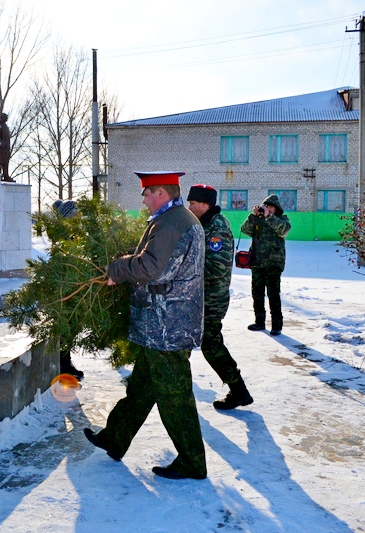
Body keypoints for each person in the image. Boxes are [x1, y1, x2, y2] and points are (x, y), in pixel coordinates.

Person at [84, 171, 208, 480]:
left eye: (147, 193)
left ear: (162, 194)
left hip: (168, 327)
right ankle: (116, 437)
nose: (143, 199)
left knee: (175, 399)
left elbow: (153, 269)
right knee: (141, 389)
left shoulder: (172, 223)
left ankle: (193, 461)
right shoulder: (177, 218)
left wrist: (118, 268)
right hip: (163, 325)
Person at [186, 184, 253, 410]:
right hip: (201, 297)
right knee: (201, 342)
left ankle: (239, 390)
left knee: (210, 344)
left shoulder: (217, 228)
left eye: (193, 203)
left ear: (205, 204)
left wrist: (185, 272)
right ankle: (239, 391)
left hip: (211, 299)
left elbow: (217, 267)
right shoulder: (204, 224)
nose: (189, 207)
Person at [240, 194, 291, 336]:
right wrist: (253, 216)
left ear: (276, 209)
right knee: (257, 293)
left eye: (271, 207)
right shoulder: (258, 220)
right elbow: (245, 230)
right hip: (257, 262)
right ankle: (259, 322)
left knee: (273, 294)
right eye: (266, 206)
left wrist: (269, 216)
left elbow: (284, 230)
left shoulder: (282, 219)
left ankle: (277, 325)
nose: (268, 209)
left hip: (274, 262)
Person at [46, 200, 84, 380]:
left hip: (74, 286)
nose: (78, 218)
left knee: (71, 327)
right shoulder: (63, 238)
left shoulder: (73, 235)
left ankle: (66, 362)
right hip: (65, 288)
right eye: (75, 215)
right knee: (65, 326)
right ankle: (63, 364)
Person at [0, 112, 12, 181]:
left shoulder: (6, 126)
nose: (6, 118)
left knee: (5, 162)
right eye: (5, 117)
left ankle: (6, 175)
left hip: (6, 148)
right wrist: (0, 143)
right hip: (1, 148)